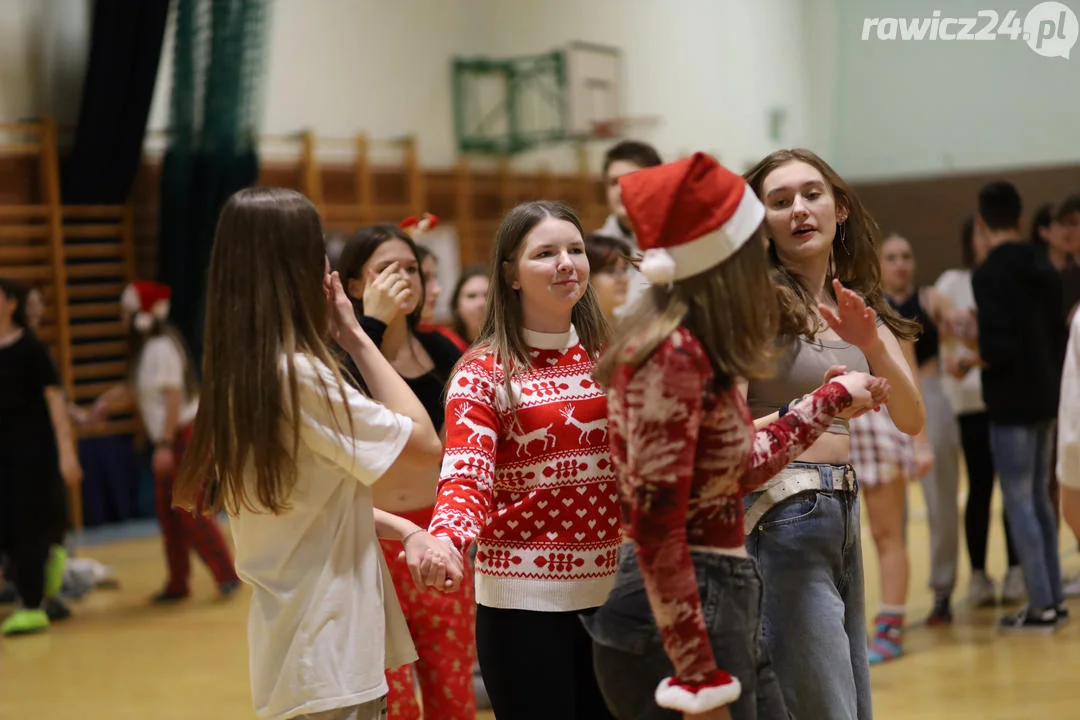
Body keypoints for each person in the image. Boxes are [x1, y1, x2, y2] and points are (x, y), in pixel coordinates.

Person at [585, 153, 887, 720]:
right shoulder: (669, 358)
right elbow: (656, 528)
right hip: (681, 613)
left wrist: (828, 403)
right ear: (725, 259)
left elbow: (740, 466)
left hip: (722, 591)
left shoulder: (699, 348)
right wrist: (698, 679)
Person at [172, 187, 457, 720]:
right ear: (298, 266)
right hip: (330, 653)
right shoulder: (299, 375)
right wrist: (357, 335)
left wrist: (407, 530)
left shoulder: (242, 373)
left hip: (298, 653)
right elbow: (423, 445)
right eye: (317, 248)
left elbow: (311, 505)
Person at [743, 148, 926, 720]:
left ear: (839, 207)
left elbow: (912, 418)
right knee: (824, 709)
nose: (799, 209)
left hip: (840, 512)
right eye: (780, 201)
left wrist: (870, 344)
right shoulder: (750, 306)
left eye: (811, 194)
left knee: (850, 706)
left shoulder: (856, 304)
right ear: (762, 221)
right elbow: (716, 433)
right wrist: (810, 407)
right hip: (779, 509)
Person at [427, 201, 617, 720]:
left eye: (575, 250)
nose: (566, 264)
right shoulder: (481, 372)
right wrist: (447, 538)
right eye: (546, 253)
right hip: (522, 604)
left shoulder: (616, 356)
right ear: (510, 273)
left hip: (615, 595)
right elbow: (466, 473)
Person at [337, 223, 476, 720]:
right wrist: (368, 326)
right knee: (393, 705)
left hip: (438, 537)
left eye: (412, 268)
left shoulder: (442, 350)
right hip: (370, 544)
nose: (404, 279)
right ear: (354, 285)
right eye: (386, 269)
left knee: (454, 695)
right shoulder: (337, 357)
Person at [85, 281, 240, 603]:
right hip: (173, 436)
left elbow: (172, 396)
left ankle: (226, 573)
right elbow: (136, 391)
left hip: (183, 433)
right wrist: (103, 404)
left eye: (125, 314)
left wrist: (165, 445)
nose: (121, 320)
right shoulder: (148, 351)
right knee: (169, 512)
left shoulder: (160, 348)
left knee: (188, 508)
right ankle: (178, 582)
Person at [972, 181, 1067, 631]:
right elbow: (1052, 333)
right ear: (1021, 217)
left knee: (1019, 500)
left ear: (983, 221)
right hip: (1048, 394)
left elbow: (999, 346)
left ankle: (1042, 606)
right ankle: (1054, 598)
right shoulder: (1042, 264)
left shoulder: (988, 272)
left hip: (1010, 400)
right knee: (1041, 501)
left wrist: (972, 354)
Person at [935, 217, 1023, 605]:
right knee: (980, 489)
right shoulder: (952, 282)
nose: (985, 241)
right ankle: (978, 575)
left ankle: (1018, 570)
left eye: (991, 232)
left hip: (1006, 397)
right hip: (970, 402)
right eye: (979, 234)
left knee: (1014, 486)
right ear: (969, 241)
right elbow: (938, 326)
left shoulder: (1010, 281)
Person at [879, 233, 961, 624]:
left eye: (906, 256)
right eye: (892, 257)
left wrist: (962, 333)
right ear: (878, 263)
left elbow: (966, 334)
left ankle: (943, 590)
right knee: (891, 513)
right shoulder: (871, 305)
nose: (900, 263)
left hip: (930, 394)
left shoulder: (931, 299)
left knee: (941, 500)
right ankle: (894, 602)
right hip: (884, 405)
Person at [0, 278, 82, 636]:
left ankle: (34, 604)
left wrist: (67, 455)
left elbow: (55, 403)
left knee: (28, 527)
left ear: (9, 304)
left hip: (32, 457)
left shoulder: (32, 350)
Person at [599, 140, 663, 315]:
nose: (621, 189)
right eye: (613, 182)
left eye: (632, 178)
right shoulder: (590, 252)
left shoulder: (681, 245)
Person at [585, 232, 633, 323]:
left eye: (624, 270)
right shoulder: (570, 333)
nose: (623, 279)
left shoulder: (632, 328)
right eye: (610, 271)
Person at [447, 265, 488, 348]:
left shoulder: (512, 345)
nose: (481, 303)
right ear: (457, 306)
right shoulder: (446, 344)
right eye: (471, 296)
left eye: (487, 295)